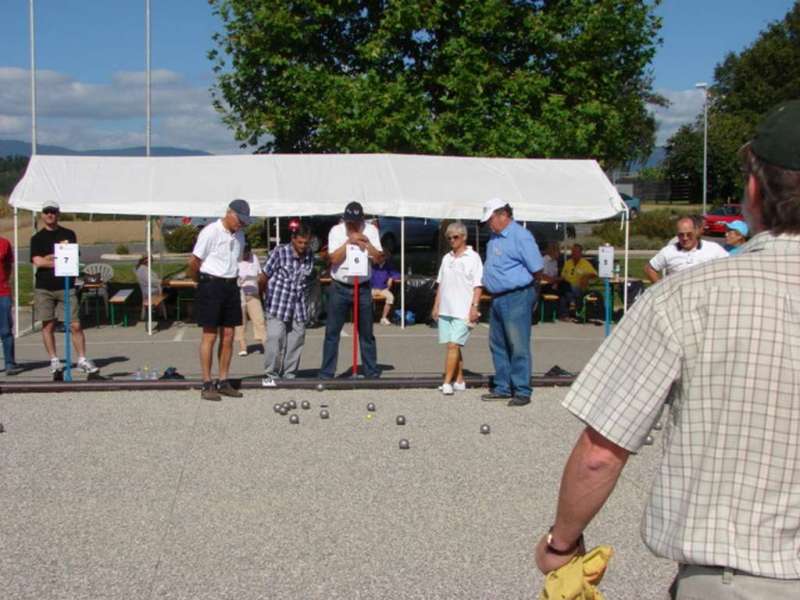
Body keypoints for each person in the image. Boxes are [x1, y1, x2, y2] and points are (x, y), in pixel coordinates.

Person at [535, 99, 800, 598]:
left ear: (753, 190)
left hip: (738, 578)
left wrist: (561, 543)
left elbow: (601, 452)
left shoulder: (688, 297)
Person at [479, 198, 543, 406]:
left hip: (517, 295)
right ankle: (503, 386)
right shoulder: (495, 237)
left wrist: (532, 295)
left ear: (503, 215)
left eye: (491, 219)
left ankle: (522, 390)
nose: (489, 223)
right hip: (498, 297)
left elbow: (537, 268)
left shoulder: (521, 236)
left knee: (517, 344)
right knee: (497, 343)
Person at [188, 199, 251, 401]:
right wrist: (200, 282)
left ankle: (223, 380)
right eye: (239, 220)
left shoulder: (240, 235)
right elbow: (194, 261)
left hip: (231, 284)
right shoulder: (210, 231)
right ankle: (207, 382)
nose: (241, 224)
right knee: (209, 335)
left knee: (229, 335)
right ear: (229, 213)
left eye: (244, 221)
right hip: (211, 284)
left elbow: (237, 260)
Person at [30, 201, 100, 376]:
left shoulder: (68, 234)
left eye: (53, 211)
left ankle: (82, 359)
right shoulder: (37, 238)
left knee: (75, 324)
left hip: (66, 286)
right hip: (44, 287)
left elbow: (70, 258)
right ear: (42, 215)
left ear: (58, 214)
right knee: (48, 325)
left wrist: (50, 258)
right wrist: (57, 259)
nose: (50, 214)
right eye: (46, 212)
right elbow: (37, 261)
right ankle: (54, 360)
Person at [319, 201, 383, 379]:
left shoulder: (371, 230)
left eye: (355, 222)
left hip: (362, 287)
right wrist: (350, 242)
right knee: (332, 332)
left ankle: (371, 372)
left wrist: (367, 244)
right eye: (349, 221)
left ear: (362, 220)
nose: (352, 225)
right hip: (339, 286)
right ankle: (327, 373)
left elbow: (379, 258)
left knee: (366, 332)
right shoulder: (336, 231)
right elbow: (333, 258)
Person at [431, 221, 482, 395]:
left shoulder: (473, 258)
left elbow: (478, 285)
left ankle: (447, 382)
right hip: (446, 308)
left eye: (455, 237)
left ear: (464, 237)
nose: (452, 240)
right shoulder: (447, 258)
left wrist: (474, 307)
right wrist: (436, 305)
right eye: (449, 237)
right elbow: (441, 283)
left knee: (453, 345)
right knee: (454, 346)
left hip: (463, 310)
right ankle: (459, 380)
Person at [260, 224, 314, 386]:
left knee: (296, 340)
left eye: (306, 243)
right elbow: (263, 275)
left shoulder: (310, 255)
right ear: (293, 240)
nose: (303, 246)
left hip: (298, 306)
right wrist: (264, 296)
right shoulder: (279, 252)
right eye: (300, 243)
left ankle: (290, 375)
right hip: (278, 303)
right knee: (275, 339)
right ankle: (271, 374)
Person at [644, 215, 727, 283]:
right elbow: (649, 268)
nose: (685, 238)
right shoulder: (668, 251)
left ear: (696, 231)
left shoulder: (714, 249)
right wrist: (661, 288)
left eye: (689, 234)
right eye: (681, 235)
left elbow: (729, 265)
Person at [234, 244, 266, 356]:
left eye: (247, 253)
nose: (245, 256)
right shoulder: (235, 259)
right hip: (240, 292)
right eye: (243, 254)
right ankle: (243, 346)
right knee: (241, 321)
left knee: (259, 319)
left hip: (253, 292)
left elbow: (259, 274)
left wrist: (258, 280)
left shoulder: (254, 257)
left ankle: (264, 343)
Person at [558, 244, 597, 321]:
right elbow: (563, 276)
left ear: (580, 253)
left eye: (575, 252)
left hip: (578, 287)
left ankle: (565, 313)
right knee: (565, 290)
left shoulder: (585, 264)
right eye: (572, 252)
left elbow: (594, 274)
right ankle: (570, 306)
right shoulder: (568, 263)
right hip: (567, 285)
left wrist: (586, 276)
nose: (573, 253)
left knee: (565, 291)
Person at [0, 235, 21, 375]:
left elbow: (9, 265)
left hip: (2, 291)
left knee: (6, 330)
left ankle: (9, 363)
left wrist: (7, 283)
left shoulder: (4, 243)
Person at [370, 252, 400, 325]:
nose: (378, 258)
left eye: (380, 257)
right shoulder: (373, 266)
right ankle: (367, 318)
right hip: (372, 289)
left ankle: (383, 318)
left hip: (383, 289)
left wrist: (391, 278)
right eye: (378, 257)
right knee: (364, 298)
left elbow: (398, 274)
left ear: (384, 258)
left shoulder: (389, 266)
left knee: (391, 297)